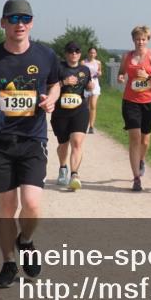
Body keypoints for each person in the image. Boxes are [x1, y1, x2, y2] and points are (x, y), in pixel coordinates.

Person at [0, 0, 60, 288]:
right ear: (3, 22)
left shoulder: (45, 55)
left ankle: (25, 240)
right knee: (6, 209)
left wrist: (52, 98)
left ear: (31, 22)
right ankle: (8, 263)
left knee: (31, 205)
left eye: (26, 18)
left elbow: (56, 83)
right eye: (14, 18)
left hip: (33, 139)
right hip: (0, 143)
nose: (20, 23)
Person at [116, 25, 151, 192]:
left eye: (143, 39)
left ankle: (141, 159)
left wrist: (150, 77)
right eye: (137, 39)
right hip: (130, 101)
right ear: (133, 40)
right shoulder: (127, 56)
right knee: (135, 138)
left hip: (150, 101)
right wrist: (121, 77)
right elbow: (121, 72)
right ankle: (136, 178)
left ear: (148, 40)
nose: (140, 42)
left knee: (145, 140)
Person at [53, 41, 95, 190]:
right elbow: (48, 86)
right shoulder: (58, 68)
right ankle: (63, 168)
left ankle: (74, 175)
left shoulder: (85, 69)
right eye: (71, 51)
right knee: (63, 144)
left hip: (80, 110)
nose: (74, 54)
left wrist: (90, 86)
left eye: (77, 51)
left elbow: (88, 85)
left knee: (77, 142)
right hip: (60, 112)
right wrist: (64, 82)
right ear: (66, 53)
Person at [84, 47, 103, 134]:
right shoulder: (83, 62)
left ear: (96, 54)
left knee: (93, 105)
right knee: (85, 106)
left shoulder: (98, 62)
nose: (92, 54)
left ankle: (91, 126)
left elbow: (100, 72)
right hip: (86, 85)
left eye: (94, 53)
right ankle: (84, 124)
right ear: (88, 53)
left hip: (95, 84)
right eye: (91, 52)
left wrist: (99, 73)